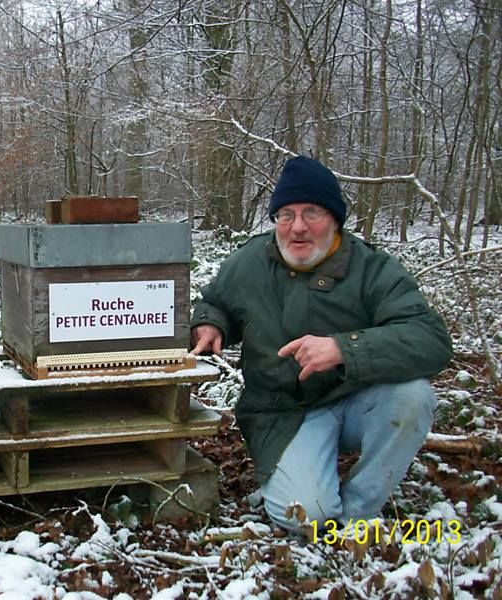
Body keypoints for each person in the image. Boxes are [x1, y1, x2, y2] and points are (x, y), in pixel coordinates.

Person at [190, 155, 453, 532]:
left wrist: (345, 349)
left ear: (334, 219)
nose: (297, 227)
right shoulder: (250, 259)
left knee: (413, 397)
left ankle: (359, 512)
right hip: (280, 414)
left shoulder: (371, 268)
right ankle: (306, 480)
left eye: (311, 212)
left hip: (355, 402)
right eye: (286, 215)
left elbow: (431, 340)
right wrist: (209, 324)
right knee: (309, 517)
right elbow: (214, 301)